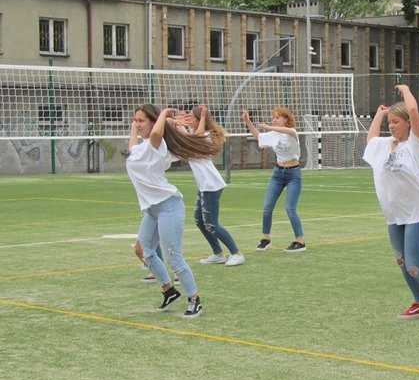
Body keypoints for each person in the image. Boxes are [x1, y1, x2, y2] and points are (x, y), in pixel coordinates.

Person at [364, 84, 419, 322]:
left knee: (415, 267)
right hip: (394, 216)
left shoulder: (416, 145)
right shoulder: (384, 146)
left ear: (407, 123)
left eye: (396, 122)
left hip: (416, 213)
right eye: (390, 123)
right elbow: (371, 138)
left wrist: (405, 90)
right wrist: (379, 115)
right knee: (403, 263)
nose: (392, 126)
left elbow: (413, 111)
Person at [126, 103, 222, 318]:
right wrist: (136, 126)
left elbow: (158, 131)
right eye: (135, 120)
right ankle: (169, 291)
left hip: (169, 205)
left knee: (173, 256)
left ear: (153, 121)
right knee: (144, 251)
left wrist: (163, 116)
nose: (137, 124)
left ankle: (194, 299)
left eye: (141, 120)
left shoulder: (156, 145)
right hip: (151, 209)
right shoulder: (140, 149)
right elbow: (133, 146)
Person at [177, 105, 245, 267]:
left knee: (211, 224)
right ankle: (217, 253)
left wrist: (197, 118)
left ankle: (236, 253)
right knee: (199, 221)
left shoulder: (205, 136)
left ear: (200, 120)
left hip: (211, 186)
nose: (189, 120)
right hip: (204, 186)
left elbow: (195, 137)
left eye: (192, 117)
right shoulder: (194, 135)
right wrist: (180, 123)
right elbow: (189, 136)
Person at [241, 107, 307, 253]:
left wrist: (269, 127)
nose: (274, 119)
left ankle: (300, 241)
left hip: (293, 174)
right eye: (273, 117)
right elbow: (258, 136)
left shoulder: (292, 132)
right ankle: (265, 239)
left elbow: (290, 132)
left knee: (290, 208)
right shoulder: (272, 134)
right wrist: (248, 121)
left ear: (285, 119)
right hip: (278, 173)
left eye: (277, 117)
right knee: (267, 207)